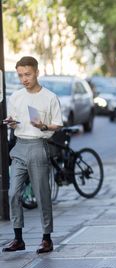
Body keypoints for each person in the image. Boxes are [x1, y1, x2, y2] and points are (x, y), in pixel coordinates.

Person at [2, 56, 63, 254]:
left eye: (27, 74)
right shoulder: (16, 97)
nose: (24, 79)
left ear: (37, 72)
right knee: (13, 194)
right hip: (20, 146)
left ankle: (47, 238)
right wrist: (11, 122)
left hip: (38, 146)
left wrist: (43, 126)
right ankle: (18, 238)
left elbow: (58, 125)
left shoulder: (50, 97)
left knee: (42, 194)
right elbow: (15, 120)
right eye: (20, 75)